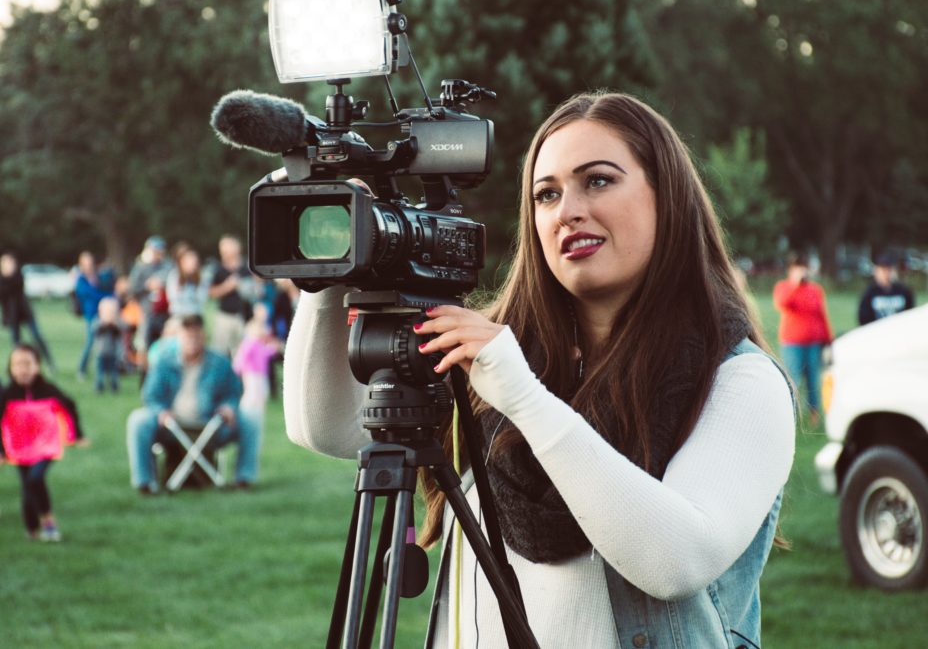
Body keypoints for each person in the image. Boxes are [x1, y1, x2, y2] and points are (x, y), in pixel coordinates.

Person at [283, 91, 795, 647]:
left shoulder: (740, 382)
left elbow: (675, 561)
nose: (567, 210)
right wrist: (328, 262)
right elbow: (328, 427)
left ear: (666, 196)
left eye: (597, 180)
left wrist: (524, 397)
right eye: (546, 194)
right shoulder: (494, 352)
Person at [126, 314, 260, 493]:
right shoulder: (164, 361)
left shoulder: (219, 362)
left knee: (251, 417)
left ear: (204, 336)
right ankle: (145, 483)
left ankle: (243, 479)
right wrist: (161, 411)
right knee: (138, 420)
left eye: (196, 335)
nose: (192, 340)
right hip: (171, 426)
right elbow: (150, 396)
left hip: (211, 424)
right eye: (187, 335)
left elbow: (234, 392)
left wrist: (229, 406)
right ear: (179, 336)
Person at [0, 344, 85, 542]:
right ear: (10, 368)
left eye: (27, 364)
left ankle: (48, 520)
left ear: (37, 366)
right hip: (20, 449)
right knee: (27, 487)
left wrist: (77, 434)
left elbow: (70, 405)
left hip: (45, 445)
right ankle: (31, 529)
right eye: (17, 364)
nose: (23, 369)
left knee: (35, 478)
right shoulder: (6, 394)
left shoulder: (48, 389)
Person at [773, 252, 833, 425]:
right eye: (797, 268)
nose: (801, 271)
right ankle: (788, 414)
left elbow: (821, 315)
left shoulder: (815, 290)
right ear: (791, 270)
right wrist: (795, 285)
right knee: (793, 379)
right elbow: (782, 303)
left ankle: (814, 415)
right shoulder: (784, 287)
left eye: (803, 268)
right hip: (793, 343)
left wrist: (828, 338)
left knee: (814, 379)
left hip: (813, 343)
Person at [231, 304, 282, 467]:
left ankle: (256, 408)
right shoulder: (250, 343)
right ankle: (248, 409)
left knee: (261, 393)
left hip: (260, 374)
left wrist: (274, 348)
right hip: (251, 374)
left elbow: (266, 354)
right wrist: (238, 369)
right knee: (252, 393)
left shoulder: (258, 344)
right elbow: (241, 358)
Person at [0, 252, 56, 372]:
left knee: (37, 336)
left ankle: (49, 362)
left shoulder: (18, 276)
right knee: (16, 343)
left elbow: (17, 287)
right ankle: (17, 367)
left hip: (25, 312)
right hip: (12, 315)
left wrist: (9, 278)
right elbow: (0, 296)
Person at [74, 251, 115, 380]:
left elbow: (107, 286)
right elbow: (92, 294)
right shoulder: (81, 280)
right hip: (91, 314)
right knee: (91, 342)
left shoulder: (98, 276)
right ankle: (81, 368)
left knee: (106, 342)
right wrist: (109, 298)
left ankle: (106, 369)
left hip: (103, 313)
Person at [208, 235, 250, 358]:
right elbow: (211, 293)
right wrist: (227, 286)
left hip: (244, 317)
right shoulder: (218, 269)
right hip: (225, 316)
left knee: (242, 355)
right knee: (220, 351)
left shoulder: (247, 267)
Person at [129, 236, 173, 352]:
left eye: (159, 251)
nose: (157, 254)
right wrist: (147, 286)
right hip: (147, 311)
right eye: (154, 251)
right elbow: (133, 289)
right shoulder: (140, 267)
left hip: (165, 311)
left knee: (164, 342)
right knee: (145, 343)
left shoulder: (168, 266)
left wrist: (162, 284)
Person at [858, 251, 915, 325]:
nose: (885, 273)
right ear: (876, 271)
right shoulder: (870, 293)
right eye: (882, 270)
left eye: (888, 270)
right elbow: (863, 318)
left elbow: (911, 314)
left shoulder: (904, 292)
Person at [166, 244, 209, 320]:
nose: (192, 264)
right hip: (178, 316)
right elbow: (173, 298)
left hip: (195, 317)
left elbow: (202, 299)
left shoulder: (201, 277)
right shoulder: (174, 276)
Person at [92, 297, 125, 393]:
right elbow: (95, 331)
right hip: (100, 352)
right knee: (100, 372)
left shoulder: (117, 323)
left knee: (113, 372)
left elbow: (122, 329)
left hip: (113, 353)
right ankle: (99, 386)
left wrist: (113, 324)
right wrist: (104, 324)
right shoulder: (98, 322)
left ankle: (114, 386)